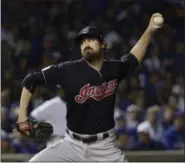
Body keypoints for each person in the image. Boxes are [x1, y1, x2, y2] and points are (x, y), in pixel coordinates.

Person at [16, 13, 164, 162]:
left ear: (103, 44)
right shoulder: (68, 69)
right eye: (83, 41)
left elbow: (133, 58)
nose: (86, 43)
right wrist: (22, 117)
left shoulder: (114, 69)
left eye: (91, 39)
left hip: (104, 147)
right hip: (72, 145)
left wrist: (150, 30)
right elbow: (31, 80)